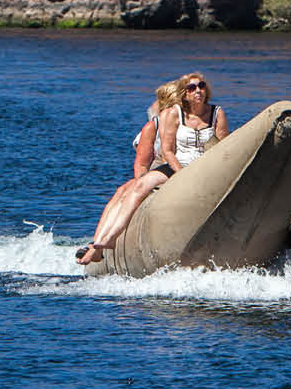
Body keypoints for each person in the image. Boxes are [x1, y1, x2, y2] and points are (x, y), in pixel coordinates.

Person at [79, 73, 230, 265]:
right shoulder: (161, 121)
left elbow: (224, 144)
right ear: (183, 95)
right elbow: (148, 160)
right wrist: (173, 176)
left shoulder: (214, 113)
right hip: (170, 167)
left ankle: (98, 244)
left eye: (201, 86)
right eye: (191, 88)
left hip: (198, 166)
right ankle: (99, 244)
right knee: (127, 191)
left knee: (127, 190)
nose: (198, 90)